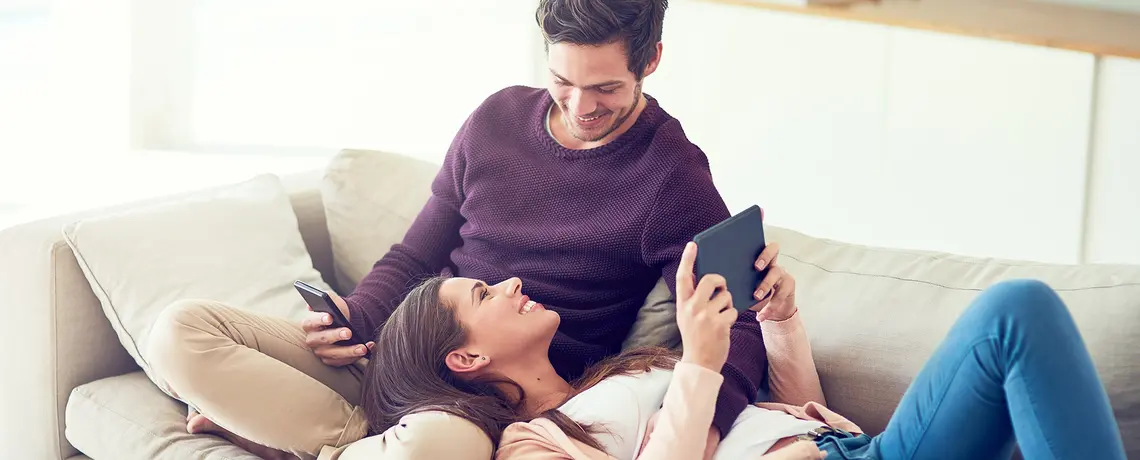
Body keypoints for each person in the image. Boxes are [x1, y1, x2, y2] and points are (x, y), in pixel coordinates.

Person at [144, 0, 769, 458]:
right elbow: (419, 251)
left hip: (489, 403)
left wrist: (707, 422)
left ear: (651, 61)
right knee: (179, 333)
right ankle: (348, 434)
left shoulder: (671, 174)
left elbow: (736, 320)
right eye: (563, 83)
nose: (581, 110)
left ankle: (330, 443)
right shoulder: (495, 119)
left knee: (430, 449)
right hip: (406, 347)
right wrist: (356, 316)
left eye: (605, 88)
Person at [363, 241, 1128, 460]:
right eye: (482, 296)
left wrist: (780, 321)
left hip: (858, 450)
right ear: (463, 360)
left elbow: (778, 412)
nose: (509, 283)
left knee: (1014, 310)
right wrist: (696, 361)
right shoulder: (529, 447)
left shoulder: (615, 373)